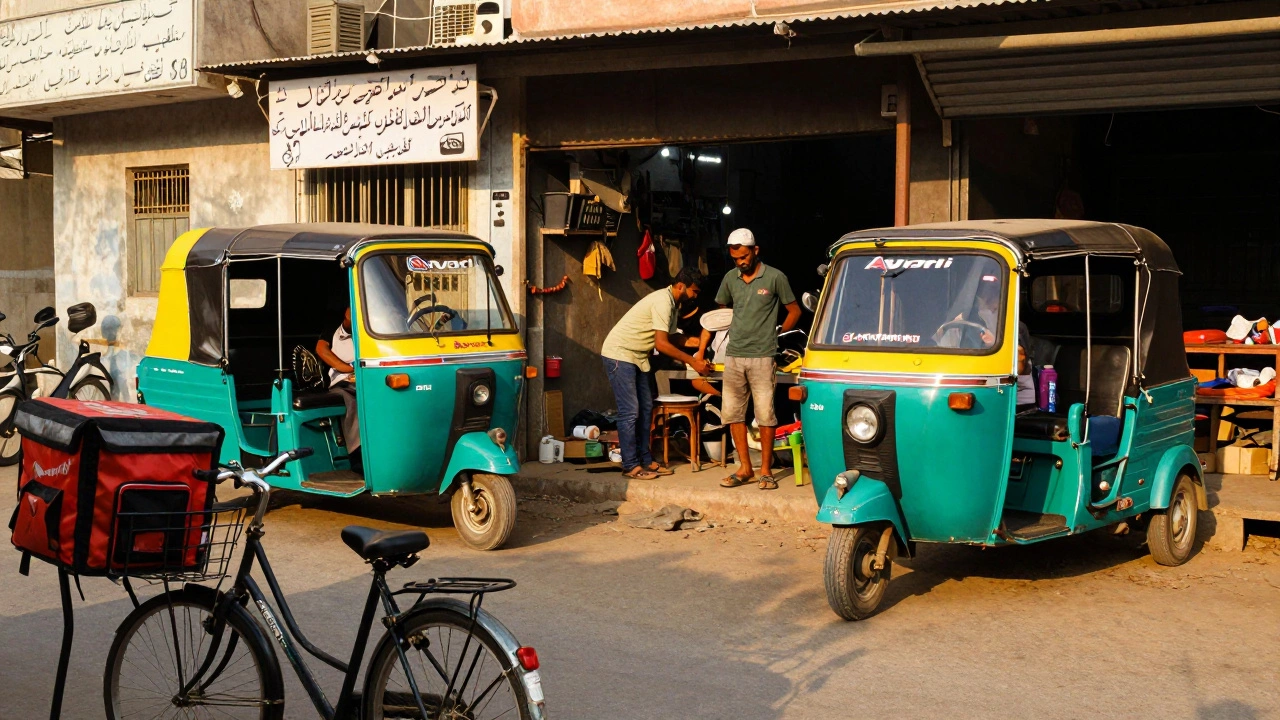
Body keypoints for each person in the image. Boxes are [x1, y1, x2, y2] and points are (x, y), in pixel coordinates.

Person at [601, 267, 713, 480]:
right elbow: (661, 345)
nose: (695, 296)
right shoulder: (663, 301)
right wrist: (693, 361)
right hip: (620, 354)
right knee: (630, 412)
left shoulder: (672, 304)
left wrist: (701, 343)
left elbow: (671, 338)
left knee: (646, 409)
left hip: (639, 357)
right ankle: (630, 465)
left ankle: (646, 460)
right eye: (694, 291)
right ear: (681, 285)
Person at [715, 228, 801, 491]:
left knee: (765, 414)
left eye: (743, 256)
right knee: (733, 414)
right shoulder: (731, 278)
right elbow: (723, 307)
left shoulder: (775, 277)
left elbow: (794, 310)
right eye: (735, 258)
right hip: (734, 356)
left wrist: (777, 335)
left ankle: (765, 470)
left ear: (755, 250)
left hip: (763, 356)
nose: (740, 262)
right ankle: (745, 468)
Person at [316, 307, 361, 472]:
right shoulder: (333, 330)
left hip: (367, 380)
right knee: (351, 401)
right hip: (342, 383)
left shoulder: (372, 329)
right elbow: (321, 349)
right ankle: (356, 454)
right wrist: (346, 369)